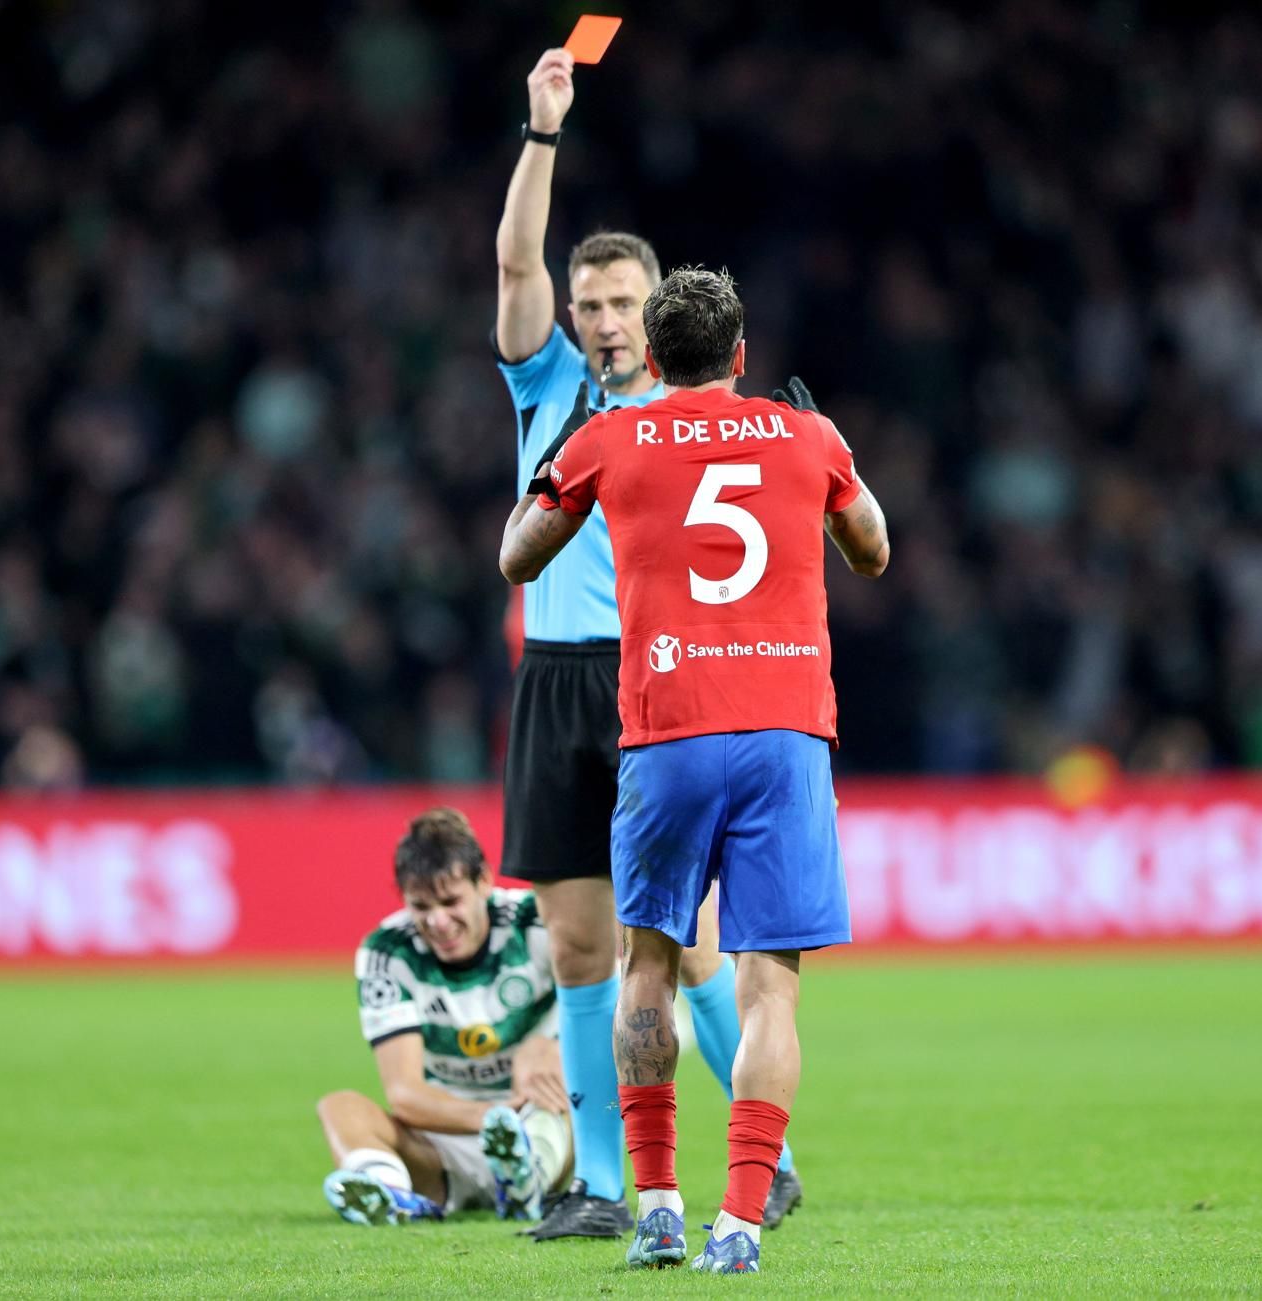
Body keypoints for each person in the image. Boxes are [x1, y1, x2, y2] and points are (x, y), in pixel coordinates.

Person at [499, 267, 889, 1273]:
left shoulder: (611, 433)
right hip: (785, 736)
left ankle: (659, 1202)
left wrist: (563, 472)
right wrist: (824, 459)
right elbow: (875, 549)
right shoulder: (809, 433)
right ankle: (744, 1221)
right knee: (769, 989)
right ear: (744, 355)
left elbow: (517, 557)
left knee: (648, 966)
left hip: (667, 731)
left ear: (656, 359)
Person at [492, 46, 801, 1240]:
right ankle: (604, 1182)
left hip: (657, 682)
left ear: (655, 309)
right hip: (556, 680)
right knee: (578, 940)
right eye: (594, 304)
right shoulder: (547, 385)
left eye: (627, 303)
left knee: (683, 939)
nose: (608, 321)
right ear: (572, 315)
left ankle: (761, 1152)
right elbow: (517, 254)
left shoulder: (693, 410)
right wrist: (544, 133)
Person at [317, 807, 573, 1226]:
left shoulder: (536, 922)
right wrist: (494, 1121)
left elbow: (614, 1009)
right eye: (421, 906)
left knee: (581, 1092)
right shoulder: (386, 953)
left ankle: (528, 1181)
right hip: (444, 1139)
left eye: (451, 901)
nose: (438, 921)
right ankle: (392, 1192)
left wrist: (556, 1046)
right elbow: (404, 1094)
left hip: (542, 1122)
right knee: (339, 1107)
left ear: (484, 882)